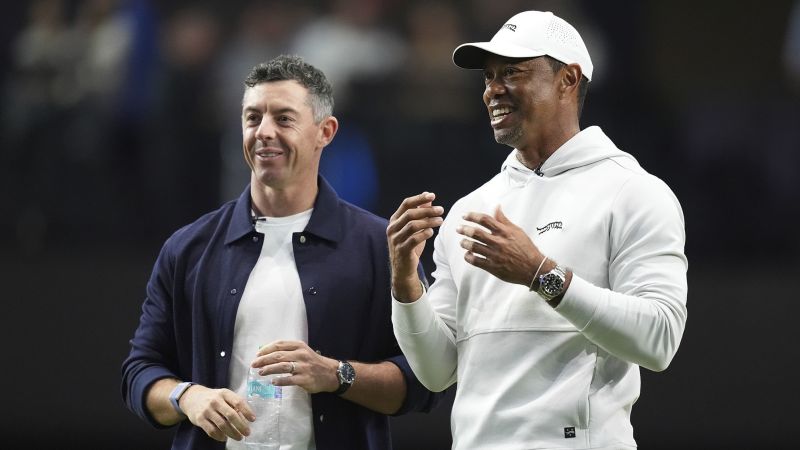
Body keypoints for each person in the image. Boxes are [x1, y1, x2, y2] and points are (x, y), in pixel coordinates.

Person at [388, 10, 687, 450]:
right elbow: (436, 372)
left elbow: (659, 339)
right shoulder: (470, 210)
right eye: (488, 77)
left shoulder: (633, 191)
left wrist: (540, 274)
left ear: (568, 78)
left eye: (512, 71)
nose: (493, 89)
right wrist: (405, 283)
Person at [122, 55, 439, 450]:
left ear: (325, 131)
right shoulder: (188, 248)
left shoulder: (379, 245)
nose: (264, 132)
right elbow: (140, 373)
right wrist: (189, 397)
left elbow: (426, 381)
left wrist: (336, 375)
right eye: (252, 118)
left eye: (284, 119)